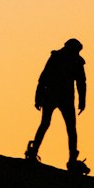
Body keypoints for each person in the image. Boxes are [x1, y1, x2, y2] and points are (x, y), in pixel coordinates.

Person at [24, 38, 88, 173]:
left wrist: (82, 100)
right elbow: (44, 77)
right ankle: (36, 153)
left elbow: (81, 82)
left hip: (58, 96)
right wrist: (38, 97)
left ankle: (69, 159)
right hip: (57, 96)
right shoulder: (62, 58)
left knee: (60, 127)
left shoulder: (66, 59)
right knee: (62, 127)